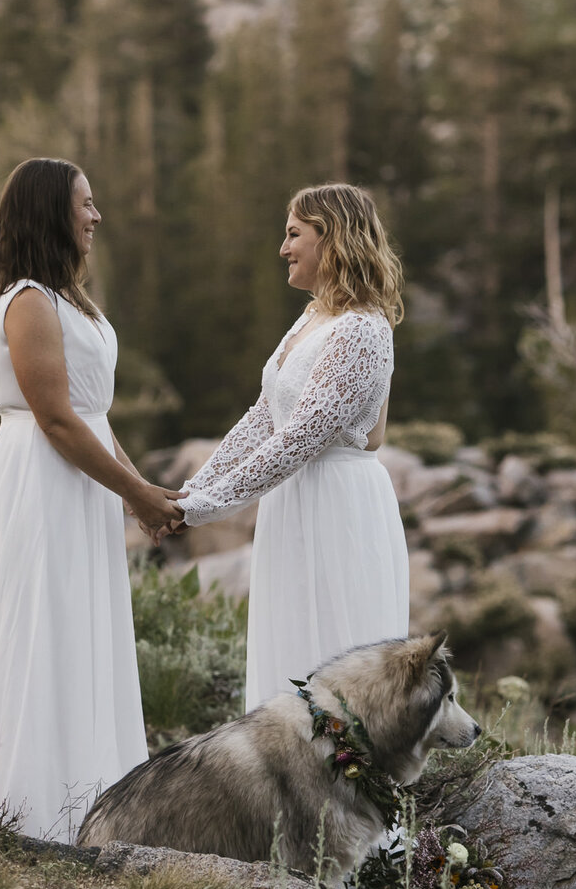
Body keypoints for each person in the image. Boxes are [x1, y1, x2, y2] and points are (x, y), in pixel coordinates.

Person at [0, 158, 182, 839]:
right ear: (51, 212)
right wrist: (135, 493)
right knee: (38, 619)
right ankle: (24, 786)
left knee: (75, 620)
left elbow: (93, 414)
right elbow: (55, 419)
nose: (96, 215)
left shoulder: (68, 297)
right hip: (41, 480)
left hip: (78, 482)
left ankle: (84, 780)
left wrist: (140, 490)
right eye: (85, 203)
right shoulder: (27, 301)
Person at [167, 182, 409, 712]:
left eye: (294, 234)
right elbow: (264, 417)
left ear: (334, 239)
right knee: (290, 640)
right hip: (292, 504)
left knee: (335, 650)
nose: (283, 248)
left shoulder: (361, 330)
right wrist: (191, 490)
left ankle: (344, 780)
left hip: (336, 505)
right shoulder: (312, 318)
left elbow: (299, 439)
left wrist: (202, 510)